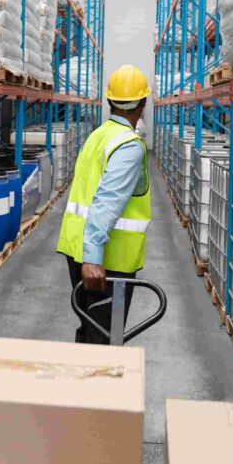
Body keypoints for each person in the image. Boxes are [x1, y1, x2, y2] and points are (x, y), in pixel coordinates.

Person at [57, 65, 152, 344]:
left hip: (77, 250)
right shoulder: (129, 145)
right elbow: (106, 201)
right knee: (105, 341)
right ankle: (95, 388)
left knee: (90, 332)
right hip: (107, 263)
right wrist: (94, 258)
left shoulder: (98, 135)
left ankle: (84, 385)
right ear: (143, 103)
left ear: (109, 101)